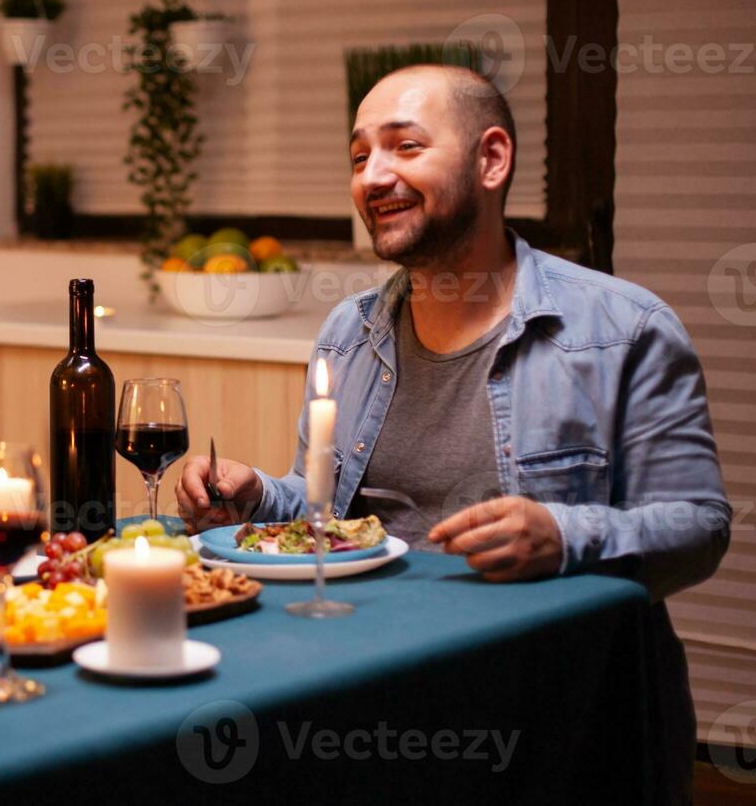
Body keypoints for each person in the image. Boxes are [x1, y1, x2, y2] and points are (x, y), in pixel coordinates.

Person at [177, 63, 729, 797]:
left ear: (491, 159)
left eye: (405, 147)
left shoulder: (622, 330)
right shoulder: (351, 332)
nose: (374, 175)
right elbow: (331, 519)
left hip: (558, 718)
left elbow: (698, 527)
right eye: (358, 156)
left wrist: (565, 538)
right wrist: (256, 500)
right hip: (373, 697)